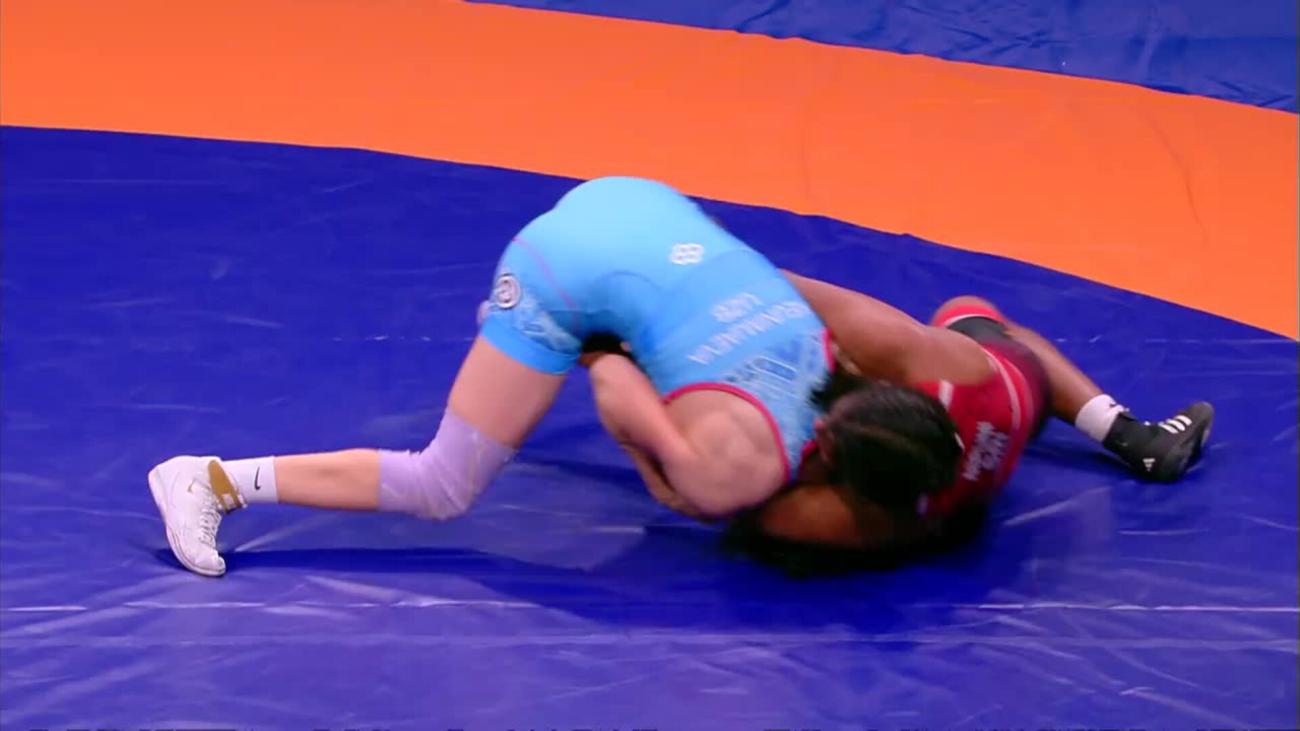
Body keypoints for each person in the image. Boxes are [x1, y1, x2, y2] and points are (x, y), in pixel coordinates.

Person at [147, 177, 960, 577]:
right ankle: (209, 480)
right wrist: (600, 366)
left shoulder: (838, 356)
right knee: (443, 484)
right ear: (846, 478)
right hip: (565, 270)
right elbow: (615, 392)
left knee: (667, 347)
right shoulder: (736, 474)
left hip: (638, 202)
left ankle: (527, 334)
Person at [721, 276, 1214, 574]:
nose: (818, 428)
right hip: (1006, 412)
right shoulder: (954, 377)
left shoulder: (858, 523)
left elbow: (722, 497)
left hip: (983, 443)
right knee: (967, 317)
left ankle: (1127, 433)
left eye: (826, 435)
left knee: (956, 317)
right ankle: (1128, 434)